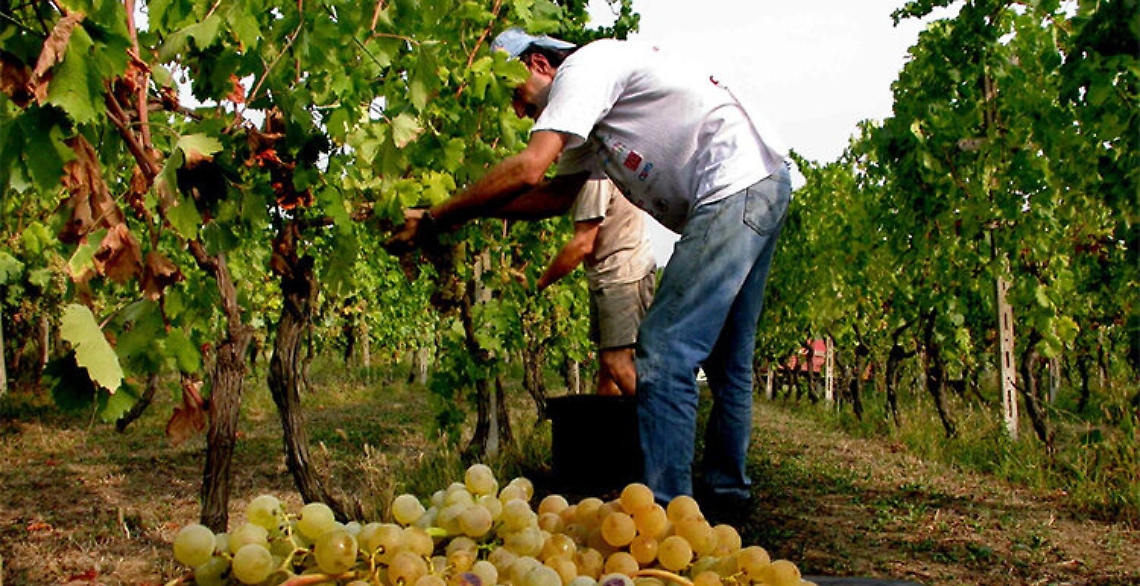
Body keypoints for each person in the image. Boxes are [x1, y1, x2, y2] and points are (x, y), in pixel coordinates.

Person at [390, 27, 792, 507]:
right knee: (728, 363)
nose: (517, 111)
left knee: (663, 351)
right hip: (757, 182)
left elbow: (529, 169)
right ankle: (727, 498)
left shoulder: (582, 70)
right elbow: (554, 196)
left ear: (538, 64)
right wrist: (471, 211)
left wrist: (437, 218)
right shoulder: (594, 119)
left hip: (733, 184)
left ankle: (666, 510)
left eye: (513, 93)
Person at [536, 176, 656, 396]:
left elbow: (582, 244)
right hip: (608, 276)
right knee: (607, 372)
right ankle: (606, 431)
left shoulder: (595, 175)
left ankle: (665, 427)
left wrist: (539, 284)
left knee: (617, 363)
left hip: (623, 276)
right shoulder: (594, 165)